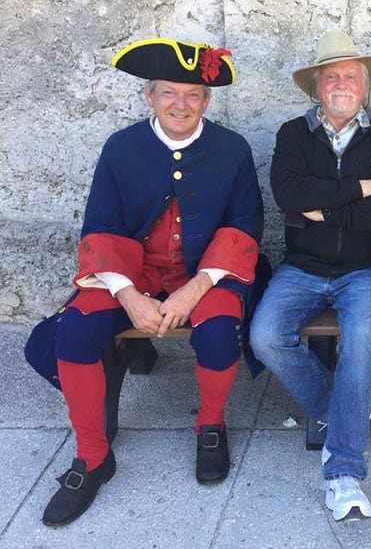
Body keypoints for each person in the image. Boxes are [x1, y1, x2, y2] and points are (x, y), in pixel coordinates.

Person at [24, 38, 264, 526]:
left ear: (207, 101)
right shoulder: (121, 147)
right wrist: (129, 295)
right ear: (150, 97)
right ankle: (92, 456)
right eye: (170, 93)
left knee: (219, 332)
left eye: (193, 95)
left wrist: (196, 287)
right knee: (73, 332)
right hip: (131, 274)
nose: (182, 104)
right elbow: (101, 226)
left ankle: (210, 423)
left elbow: (244, 225)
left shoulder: (232, 149)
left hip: (204, 273)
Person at [249, 30, 371, 522]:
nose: (341, 84)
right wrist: (360, 186)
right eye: (331, 76)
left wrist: (327, 210)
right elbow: (289, 196)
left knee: (362, 337)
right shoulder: (292, 134)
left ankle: (344, 472)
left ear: (364, 87)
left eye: (350, 76)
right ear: (317, 87)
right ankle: (341, 404)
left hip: (365, 268)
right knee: (264, 336)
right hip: (303, 265)